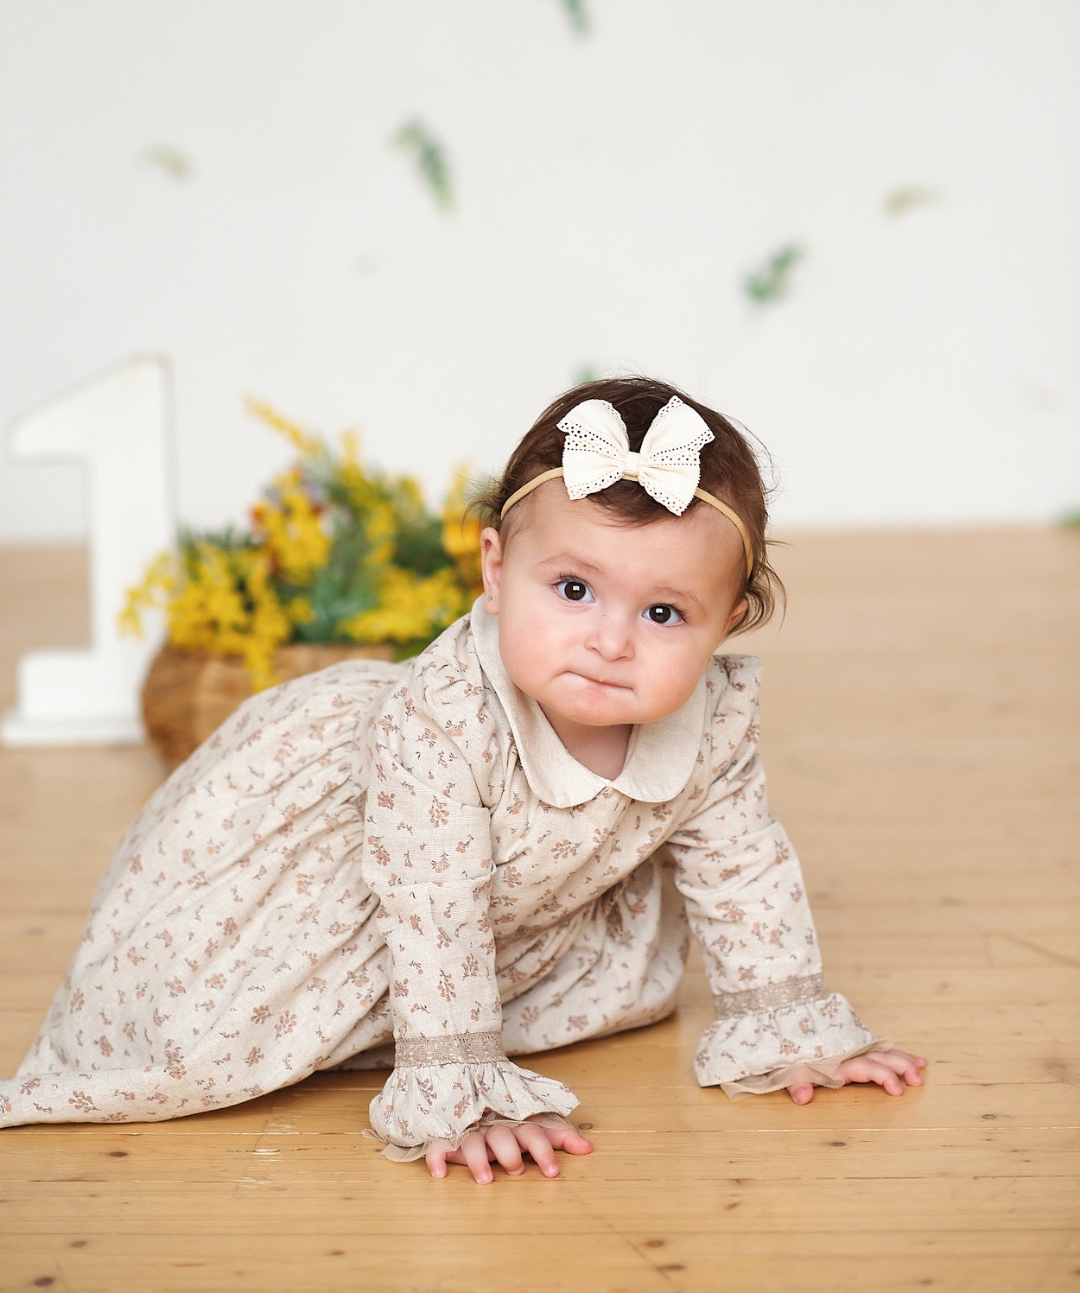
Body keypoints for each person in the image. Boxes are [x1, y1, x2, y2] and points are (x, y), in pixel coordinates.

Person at [0, 377, 925, 1181]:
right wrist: (460, 1087)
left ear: (727, 623)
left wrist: (787, 1024)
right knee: (213, 1036)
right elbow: (434, 904)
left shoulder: (714, 718)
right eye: (574, 590)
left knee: (623, 998)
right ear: (495, 568)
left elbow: (742, 869)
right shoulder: (443, 718)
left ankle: (454, 1012)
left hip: (525, 900)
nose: (610, 640)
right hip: (367, 878)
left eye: (663, 612)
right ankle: (373, 1025)